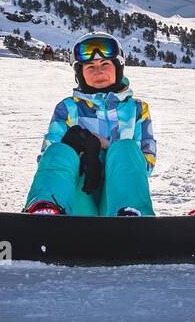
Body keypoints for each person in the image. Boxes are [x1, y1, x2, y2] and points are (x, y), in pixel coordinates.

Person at [24, 32, 157, 217]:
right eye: (90, 66)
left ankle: (133, 218)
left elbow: (147, 162)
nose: (98, 72)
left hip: (118, 197)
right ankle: (46, 212)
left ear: (118, 67)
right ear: (80, 73)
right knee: (58, 151)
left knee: (126, 149)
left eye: (105, 64)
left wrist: (107, 147)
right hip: (76, 195)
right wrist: (76, 149)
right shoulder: (68, 108)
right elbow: (47, 160)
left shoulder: (137, 109)